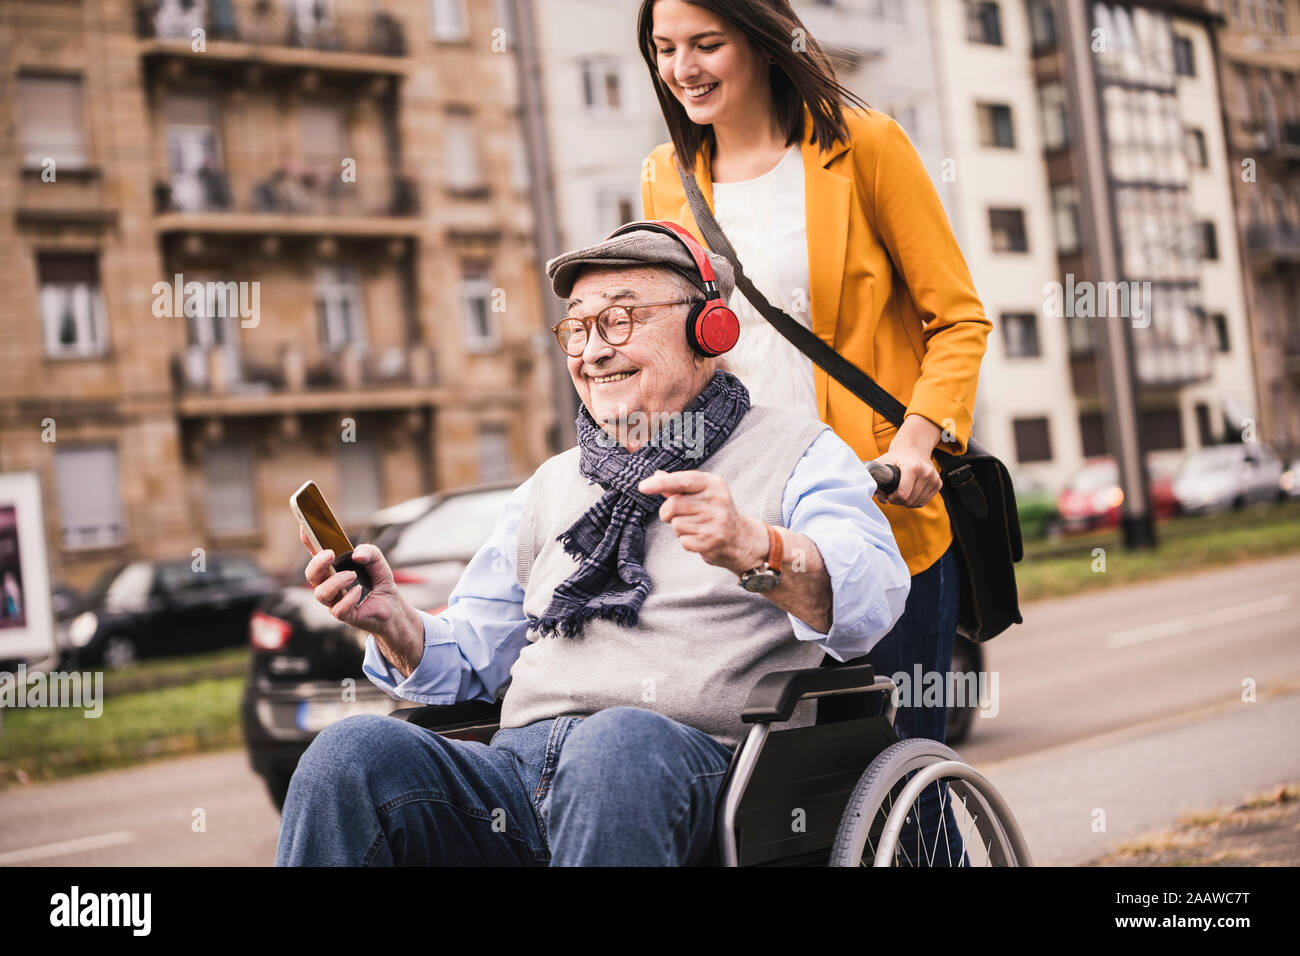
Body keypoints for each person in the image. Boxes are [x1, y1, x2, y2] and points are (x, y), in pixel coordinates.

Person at [275, 223, 911, 866]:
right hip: (516, 780)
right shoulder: (550, 485)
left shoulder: (798, 452)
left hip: (703, 777)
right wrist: (394, 625)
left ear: (709, 330)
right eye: (577, 329)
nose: (592, 351)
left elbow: (872, 598)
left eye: (620, 319)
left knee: (616, 746)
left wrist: (758, 547)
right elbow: (472, 658)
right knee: (349, 754)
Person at [636, 0, 993, 857]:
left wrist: (918, 439)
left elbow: (959, 320)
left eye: (705, 44)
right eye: (664, 49)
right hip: (748, 523)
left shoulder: (864, 145)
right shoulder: (663, 176)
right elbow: (674, 349)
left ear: (760, 40)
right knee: (781, 803)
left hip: (878, 511)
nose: (682, 67)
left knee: (899, 788)